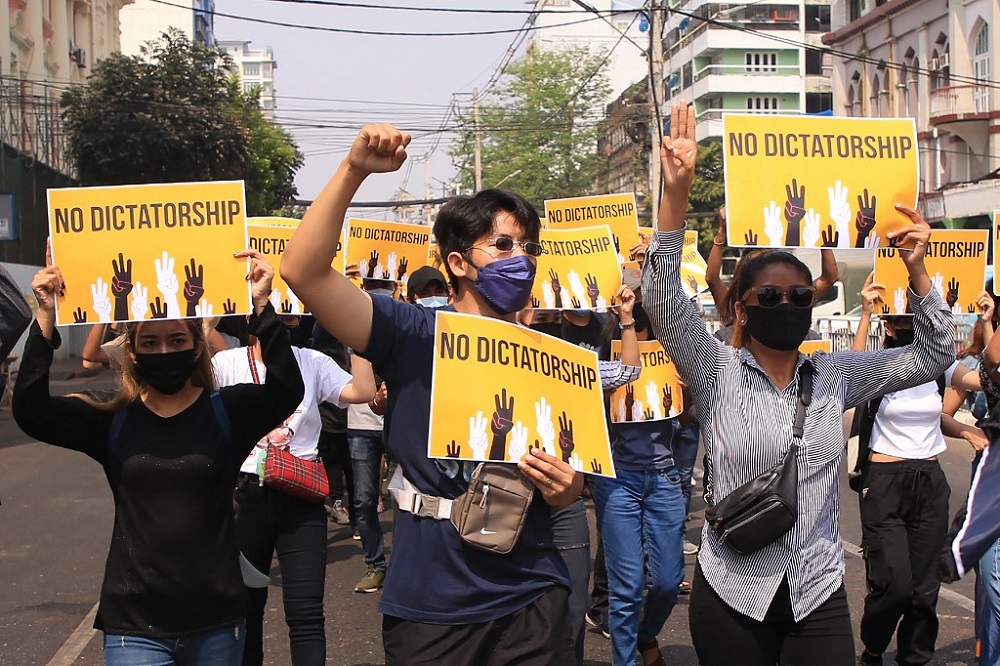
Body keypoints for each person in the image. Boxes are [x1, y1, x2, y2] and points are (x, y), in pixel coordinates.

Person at [643, 101, 955, 665]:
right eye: (770, 296)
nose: (786, 303)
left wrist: (917, 271)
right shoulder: (716, 370)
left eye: (799, 295)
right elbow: (661, 295)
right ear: (742, 308)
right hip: (733, 588)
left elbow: (935, 354)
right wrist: (677, 195)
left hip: (817, 589)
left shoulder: (835, 375)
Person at [281, 124, 582, 665]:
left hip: (533, 595)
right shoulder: (413, 333)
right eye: (504, 245)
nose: (522, 258)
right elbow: (302, 271)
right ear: (458, 262)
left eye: (530, 248)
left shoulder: (552, 357)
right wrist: (354, 170)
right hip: (432, 606)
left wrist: (565, 488)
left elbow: (571, 479)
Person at [14, 249, 304, 665]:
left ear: (197, 346)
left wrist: (261, 306)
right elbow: (31, 411)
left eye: (177, 340)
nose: (164, 351)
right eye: (150, 342)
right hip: (134, 626)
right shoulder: (111, 419)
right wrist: (46, 315)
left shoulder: (228, 413)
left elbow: (287, 389)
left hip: (217, 620)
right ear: (131, 351)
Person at [212, 311, 376, 666]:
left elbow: (363, 391)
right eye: (272, 312)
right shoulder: (226, 363)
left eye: (288, 313)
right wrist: (204, 322)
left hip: (302, 498)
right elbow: (191, 393)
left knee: (306, 615)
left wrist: (356, 333)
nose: (282, 319)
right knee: (246, 611)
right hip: (245, 497)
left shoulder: (312, 361)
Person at [850, 282, 957, 666]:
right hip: (885, 482)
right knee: (894, 584)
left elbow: (980, 377)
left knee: (924, 590)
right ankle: (874, 648)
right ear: (890, 325)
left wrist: (986, 320)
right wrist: (865, 313)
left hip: (929, 480)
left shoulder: (939, 366)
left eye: (915, 318)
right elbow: (848, 370)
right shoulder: (878, 366)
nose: (909, 325)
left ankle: (915, 658)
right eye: (902, 319)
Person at [594, 293, 685, 666]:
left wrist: (687, 389)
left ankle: (646, 635)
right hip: (619, 482)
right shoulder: (602, 368)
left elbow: (692, 420)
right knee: (627, 588)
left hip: (664, 478)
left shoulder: (673, 360)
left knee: (667, 583)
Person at [706, 207, 839, 346]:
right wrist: (722, 232)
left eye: (795, 295)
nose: (784, 302)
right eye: (768, 295)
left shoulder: (793, 298)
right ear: (740, 310)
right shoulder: (730, 323)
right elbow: (712, 279)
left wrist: (821, 236)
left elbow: (829, 278)